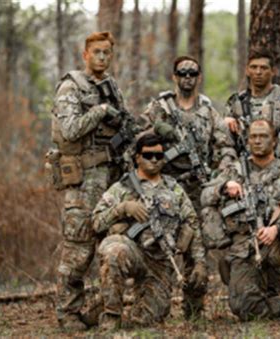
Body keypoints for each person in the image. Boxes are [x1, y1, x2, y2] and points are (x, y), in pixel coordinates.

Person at [201, 119, 280, 326]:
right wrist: (223, 186)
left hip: (276, 245)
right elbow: (205, 196)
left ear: (274, 141)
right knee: (244, 309)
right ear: (247, 141)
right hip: (245, 248)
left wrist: (278, 228)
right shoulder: (235, 171)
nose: (258, 141)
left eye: (263, 136)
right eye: (253, 137)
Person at [137, 55, 232, 319]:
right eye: (182, 73)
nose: (187, 78)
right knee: (159, 244)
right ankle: (156, 304)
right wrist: (160, 133)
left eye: (192, 73)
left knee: (195, 246)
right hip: (163, 187)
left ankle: (193, 309)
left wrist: (219, 177)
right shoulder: (160, 107)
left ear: (199, 77)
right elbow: (139, 138)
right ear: (174, 76)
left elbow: (226, 147)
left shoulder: (208, 111)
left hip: (197, 187)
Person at [49, 31, 129, 330]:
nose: (102, 57)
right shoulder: (72, 87)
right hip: (83, 183)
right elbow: (69, 130)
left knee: (111, 245)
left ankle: (102, 311)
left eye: (107, 52)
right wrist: (99, 112)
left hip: (111, 179)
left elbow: (122, 125)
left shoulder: (111, 86)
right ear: (85, 54)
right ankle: (68, 314)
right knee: (78, 250)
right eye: (96, 52)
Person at [92, 133, 207, 330]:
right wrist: (123, 208)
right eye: (148, 155)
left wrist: (199, 262)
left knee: (147, 321)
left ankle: (101, 307)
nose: (154, 160)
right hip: (132, 250)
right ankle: (110, 315)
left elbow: (192, 223)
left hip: (160, 261)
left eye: (158, 156)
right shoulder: (122, 187)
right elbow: (96, 222)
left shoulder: (174, 188)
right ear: (137, 157)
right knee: (114, 252)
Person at [222, 49, 280, 162]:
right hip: (245, 168)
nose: (258, 72)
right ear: (247, 71)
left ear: (273, 71)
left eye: (264, 68)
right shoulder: (236, 103)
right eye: (254, 67)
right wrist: (224, 123)